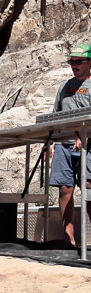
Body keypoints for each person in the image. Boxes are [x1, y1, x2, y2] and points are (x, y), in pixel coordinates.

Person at [48, 44, 91, 246]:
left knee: (89, 187)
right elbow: (55, 115)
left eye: (78, 62)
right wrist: (48, 141)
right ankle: (69, 237)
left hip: (87, 146)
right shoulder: (64, 86)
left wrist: (86, 135)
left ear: (89, 63)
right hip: (63, 145)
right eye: (71, 62)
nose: (74, 65)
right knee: (65, 189)